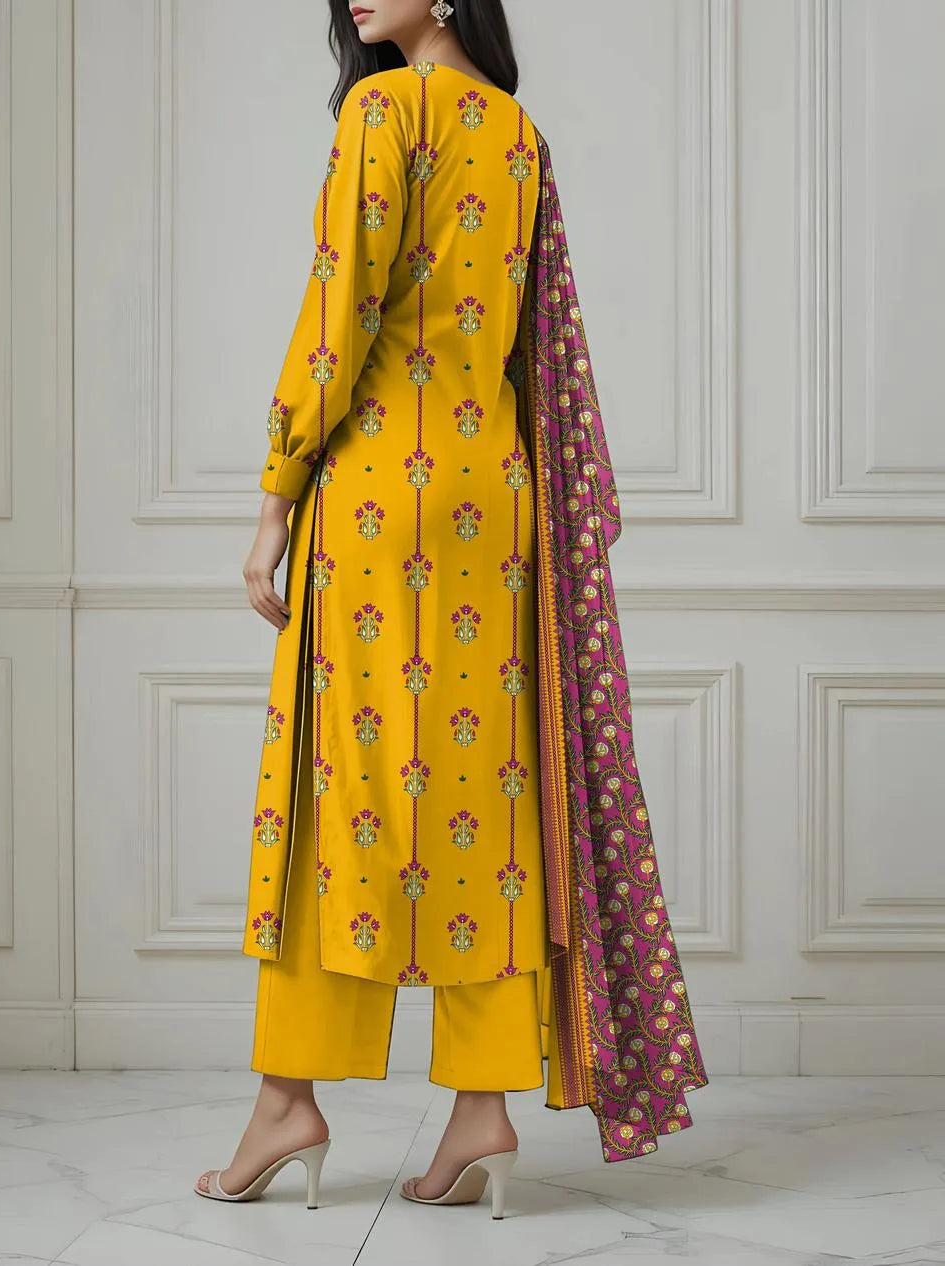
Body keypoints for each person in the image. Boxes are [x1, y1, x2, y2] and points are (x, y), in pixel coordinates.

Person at [195, 0, 708, 1217]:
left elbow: (340, 313)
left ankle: (287, 1098)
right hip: (497, 497)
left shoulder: (385, 109)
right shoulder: (518, 132)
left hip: (378, 491)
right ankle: (483, 1106)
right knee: (484, 793)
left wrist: (276, 493)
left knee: (344, 791)